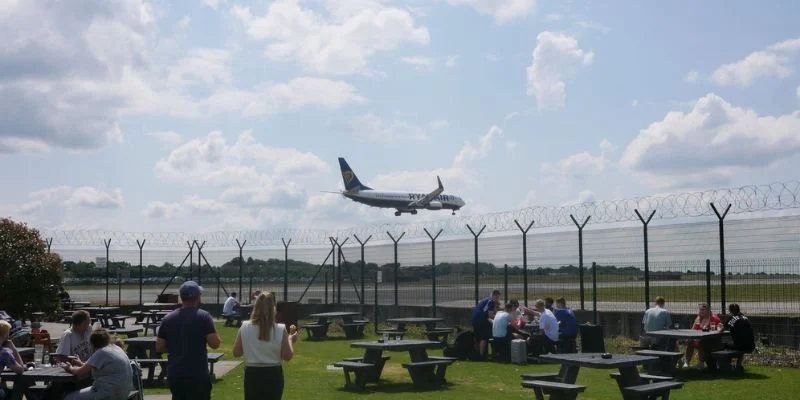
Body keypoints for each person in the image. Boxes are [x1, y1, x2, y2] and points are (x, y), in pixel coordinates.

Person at [156, 281, 221, 400]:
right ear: (197, 297)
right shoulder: (204, 317)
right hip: (197, 373)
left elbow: (159, 347)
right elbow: (215, 344)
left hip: (175, 373)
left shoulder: (167, 318)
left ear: (181, 297)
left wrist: (176, 346)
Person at [233, 292, 298, 400]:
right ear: (273, 308)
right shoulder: (280, 329)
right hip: (273, 374)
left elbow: (236, 352)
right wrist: (290, 340)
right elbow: (287, 356)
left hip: (252, 374)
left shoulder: (245, 327)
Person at [63, 329, 133, 400]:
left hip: (109, 392)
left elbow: (79, 372)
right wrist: (80, 363)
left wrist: (70, 368)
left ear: (92, 343)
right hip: (123, 390)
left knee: (69, 398)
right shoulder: (115, 348)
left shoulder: (101, 352)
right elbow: (94, 365)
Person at [683, 303, 721, 369]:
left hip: (711, 341)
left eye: (703, 310)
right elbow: (693, 330)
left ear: (708, 310)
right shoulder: (698, 318)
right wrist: (689, 338)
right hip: (699, 339)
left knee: (702, 343)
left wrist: (719, 328)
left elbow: (720, 328)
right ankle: (686, 362)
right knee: (690, 342)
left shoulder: (714, 318)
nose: (701, 311)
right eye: (700, 310)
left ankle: (701, 363)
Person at [471, 290, 501, 360]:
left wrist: (498, 312)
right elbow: (490, 315)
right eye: (498, 297)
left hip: (475, 320)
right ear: (494, 295)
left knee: (479, 337)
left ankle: (479, 353)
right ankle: (481, 355)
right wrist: (500, 316)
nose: (498, 299)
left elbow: (491, 312)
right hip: (481, 321)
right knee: (484, 337)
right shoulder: (491, 302)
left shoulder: (486, 300)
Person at [1, 320, 26, 399]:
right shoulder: (3, 353)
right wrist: (14, 350)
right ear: (5, 334)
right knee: (18, 387)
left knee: (5, 386)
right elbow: (20, 369)